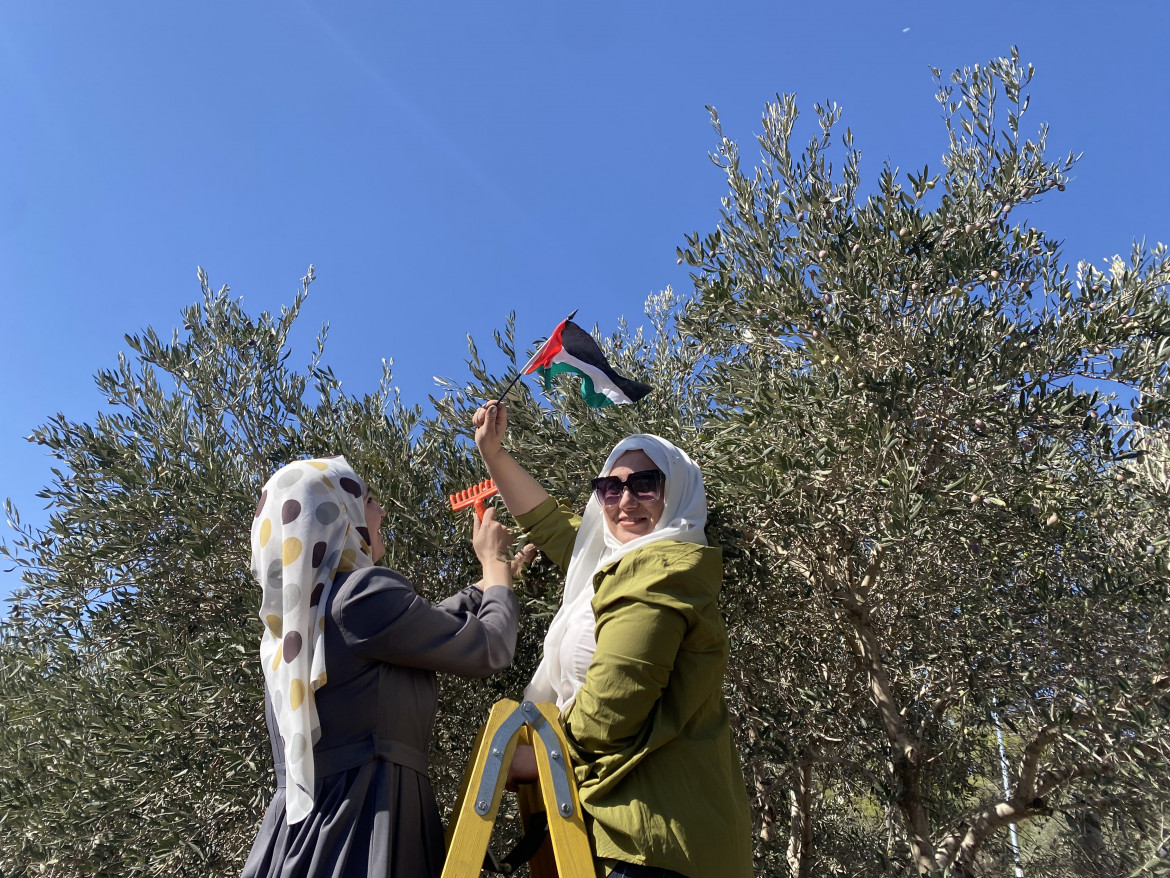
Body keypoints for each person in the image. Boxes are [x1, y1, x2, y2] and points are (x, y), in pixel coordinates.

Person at [472, 403, 754, 878]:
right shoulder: (607, 566)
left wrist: (539, 756)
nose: (626, 501)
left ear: (678, 491)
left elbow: (612, 706)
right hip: (625, 832)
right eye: (610, 488)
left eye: (646, 484)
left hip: (655, 840)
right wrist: (494, 454)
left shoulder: (663, 571)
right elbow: (551, 527)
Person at [241, 455, 526, 878]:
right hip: (368, 823)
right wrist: (496, 572)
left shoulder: (295, 625)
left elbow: (413, 627)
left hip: (303, 833)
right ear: (340, 514)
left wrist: (489, 585)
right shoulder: (361, 594)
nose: (380, 512)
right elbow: (490, 649)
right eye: (368, 500)